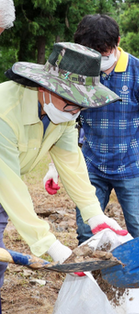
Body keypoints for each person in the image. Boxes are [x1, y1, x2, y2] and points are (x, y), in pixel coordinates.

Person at [0, 42, 128, 310]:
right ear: (46, 88)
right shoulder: (4, 113)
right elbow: (10, 185)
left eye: (82, 106)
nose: (75, 112)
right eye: (71, 103)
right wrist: (51, 245)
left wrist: (95, 215)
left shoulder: (64, 115)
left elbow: (71, 163)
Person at [73, 14, 139, 246]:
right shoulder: (80, 71)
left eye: (104, 53)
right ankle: (93, 280)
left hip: (132, 165)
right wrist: (54, 166)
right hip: (91, 165)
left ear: (117, 42)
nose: (99, 59)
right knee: (86, 231)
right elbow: (68, 118)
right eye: (93, 54)